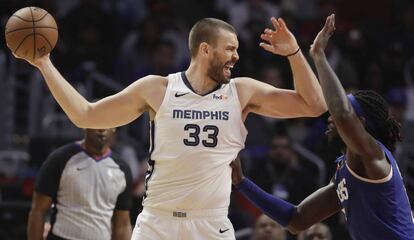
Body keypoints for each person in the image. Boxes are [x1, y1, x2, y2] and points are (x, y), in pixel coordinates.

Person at [16, 17, 327, 240]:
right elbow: (85, 114)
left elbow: (314, 106)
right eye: (229, 49)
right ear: (205, 50)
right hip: (157, 224)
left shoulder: (241, 92)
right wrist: (45, 64)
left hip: (211, 225)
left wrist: (293, 53)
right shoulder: (157, 88)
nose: (236, 56)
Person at [231, 14, 414, 240]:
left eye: (338, 115)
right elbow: (296, 220)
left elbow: (342, 113)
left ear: (360, 124)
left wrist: (318, 56)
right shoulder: (346, 169)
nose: (330, 118)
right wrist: (242, 182)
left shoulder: (373, 154)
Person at [27, 127, 133, 240]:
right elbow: (38, 210)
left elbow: (122, 225)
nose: (102, 129)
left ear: (114, 128)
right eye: (97, 122)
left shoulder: (122, 169)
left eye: (107, 123)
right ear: (84, 124)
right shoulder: (60, 159)